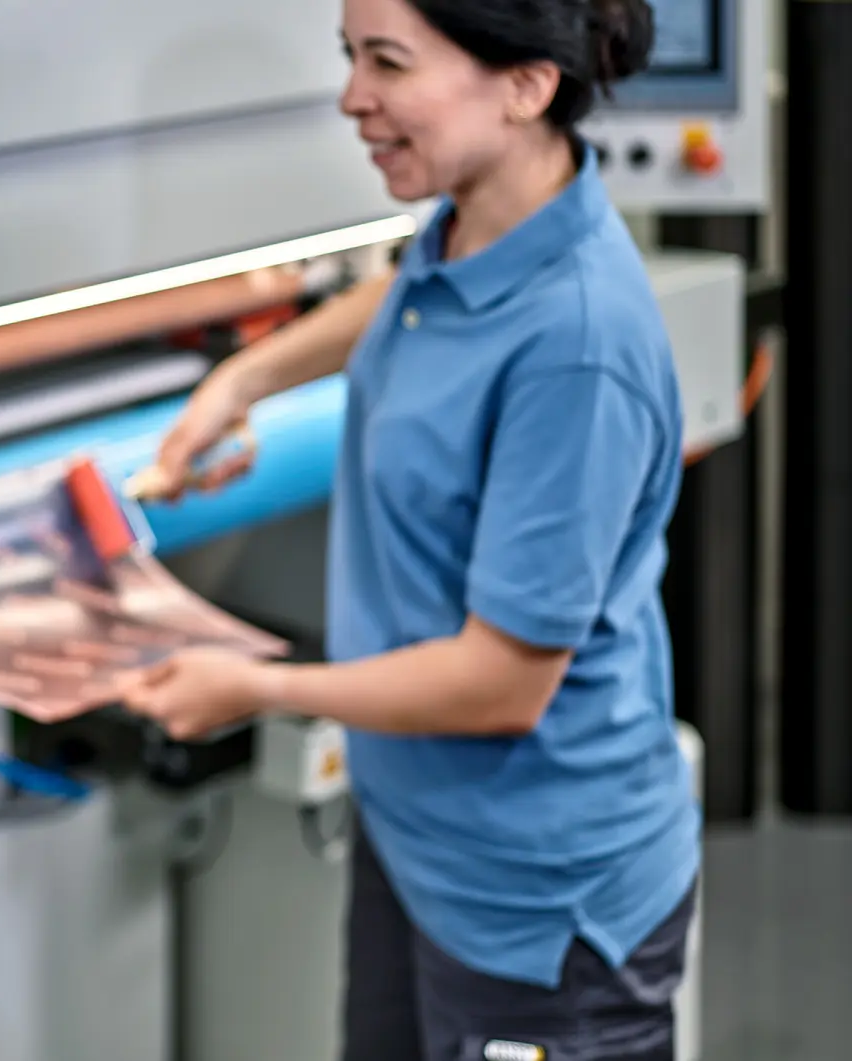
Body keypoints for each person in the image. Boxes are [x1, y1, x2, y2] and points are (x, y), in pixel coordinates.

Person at [117, 0, 698, 1058]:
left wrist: (252, 686)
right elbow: (402, 295)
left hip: (539, 914)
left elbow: (502, 681)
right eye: (351, 56)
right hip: (421, 840)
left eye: (388, 62)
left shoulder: (577, 347)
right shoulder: (476, 222)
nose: (351, 98)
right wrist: (243, 380)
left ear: (525, 85)